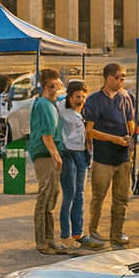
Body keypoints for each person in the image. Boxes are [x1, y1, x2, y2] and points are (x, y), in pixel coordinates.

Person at [83, 63, 136, 249]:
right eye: (120, 77)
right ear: (109, 77)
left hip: (123, 157)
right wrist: (114, 139)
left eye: (123, 77)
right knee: (98, 196)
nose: (122, 80)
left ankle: (117, 232)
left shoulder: (125, 97)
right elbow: (90, 131)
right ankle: (94, 231)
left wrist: (130, 133)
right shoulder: (94, 100)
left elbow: (131, 120)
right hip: (103, 157)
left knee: (121, 198)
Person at [57, 80, 104, 251]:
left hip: (82, 153)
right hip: (67, 152)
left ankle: (78, 232)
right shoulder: (60, 108)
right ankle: (65, 233)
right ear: (69, 96)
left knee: (80, 195)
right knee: (69, 194)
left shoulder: (85, 110)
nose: (81, 100)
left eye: (83, 97)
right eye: (77, 97)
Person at [27, 69, 68, 255]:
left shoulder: (50, 104)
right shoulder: (43, 104)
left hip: (49, 152)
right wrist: (54, 153)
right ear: (45, 87)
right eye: (52, 87)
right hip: (44, 154)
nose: (56, 90)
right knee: (45, 196)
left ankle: (49, 238)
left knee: (52, 195)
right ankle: (42, 241)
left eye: (57, 86)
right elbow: (46, 133)